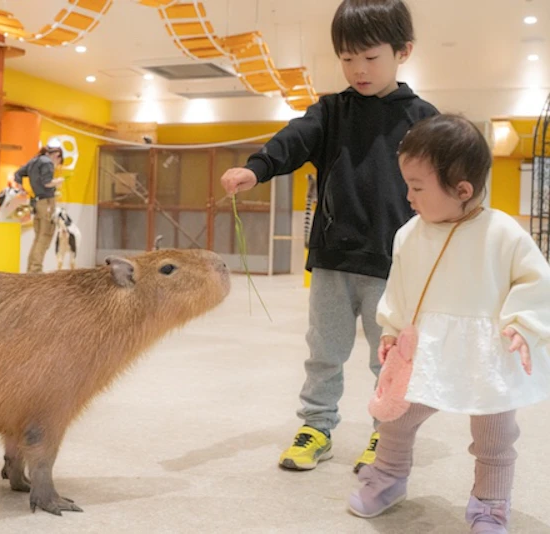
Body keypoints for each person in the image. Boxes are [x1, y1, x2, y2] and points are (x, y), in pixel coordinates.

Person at [220, 0, 439, 473]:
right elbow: (293, 140)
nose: (358, 69)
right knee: (324, 352)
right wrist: (256, 169)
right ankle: (316, 427)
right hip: (333, 260)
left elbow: (445, 178)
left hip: (393, 264)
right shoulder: (331, 111)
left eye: (370, 57)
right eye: (347, 58)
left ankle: (389, 435)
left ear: (403, 52)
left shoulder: (423, 118)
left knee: (391, 359)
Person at [347, 113, 550, 533]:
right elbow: (400, 289)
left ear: (463, 190)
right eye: (407, 185)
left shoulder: (504, 233)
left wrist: (522, 322)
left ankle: (491, 503)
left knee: (495, 436)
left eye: (417, 187)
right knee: (396, 417)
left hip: (488, 353)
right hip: (427, 349)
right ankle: (388, 478)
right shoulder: (410, 234)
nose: (408, 196)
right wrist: (390, 328)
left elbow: (535, 281)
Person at [16, 146, 65, 273]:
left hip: (37, 202)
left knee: (38, 237)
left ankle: (31, 268)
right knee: (45, 236)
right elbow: (47, 182)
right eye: (59, 162)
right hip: (46, 203)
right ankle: (36, 270)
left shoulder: (34, 161)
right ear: (57, 156)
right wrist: (58, 181)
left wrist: (21, 188)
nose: (57, 165)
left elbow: (18, 174)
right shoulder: (47, 163)